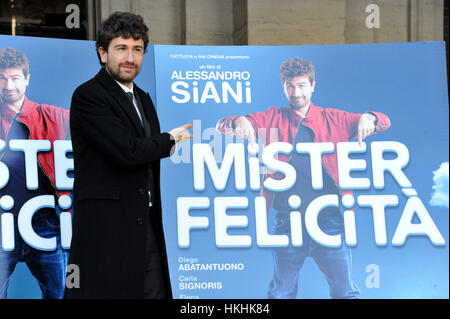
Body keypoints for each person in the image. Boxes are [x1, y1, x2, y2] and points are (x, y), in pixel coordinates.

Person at [216, 57, 391, 299]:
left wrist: (369, 118)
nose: (296, 92)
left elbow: (383, 121)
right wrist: (238, 121)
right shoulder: (271, 118)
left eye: (301, 85)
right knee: (281, 294)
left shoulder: (334, 118)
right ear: (283, 87)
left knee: (345, 292)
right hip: (287, 224)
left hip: (330, 223)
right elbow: (222, 125)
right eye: (290, 86)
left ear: (313, 86)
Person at [65, 12, 192, 299]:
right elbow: (128, 151)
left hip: (145, 224)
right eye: (121, 48)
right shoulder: (88, 95)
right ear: (102, 53)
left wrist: (164, 143)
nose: (130, 58)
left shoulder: (143, 98)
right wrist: (169, 140)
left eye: (137, 49)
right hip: (105, 230)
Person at [0, 47, 70, 299]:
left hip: (44, 223)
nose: (8, 85)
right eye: (2, 78)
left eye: (15, 77)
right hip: (2, 222)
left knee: (59, 294)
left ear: (27, 79)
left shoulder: (52, 116)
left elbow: (93, 126)